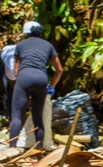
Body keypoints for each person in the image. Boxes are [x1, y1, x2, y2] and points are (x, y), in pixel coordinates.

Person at [9, 21, 63, 149]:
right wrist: (52, 86)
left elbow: (16, 70)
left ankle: (12, 148)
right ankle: (38, 150)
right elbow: (59, 70)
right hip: (41, 79)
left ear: (26, 33)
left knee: (16, 115)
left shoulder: (20, 45)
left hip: (24, 77)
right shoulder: (48, 45)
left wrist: (22, 86)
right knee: (38, 118)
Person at [0, 43, 16, 117]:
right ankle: (10, 117)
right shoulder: (12, 68)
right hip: (3, 57)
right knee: (10, 90)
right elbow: (12, 84)